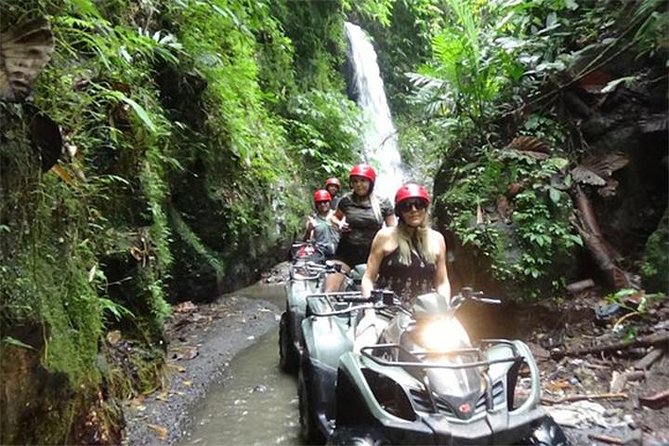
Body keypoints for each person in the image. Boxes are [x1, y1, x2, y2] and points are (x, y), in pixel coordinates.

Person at [356, 183, 451, 341]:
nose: (414, 210)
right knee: (364, 345)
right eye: (407, 206)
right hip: (386, 312)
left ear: (425, 208)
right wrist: (369, 312)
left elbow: (442, 282)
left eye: (418, 205)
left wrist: (444, 311)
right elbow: (368, 278)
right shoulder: (385, 236)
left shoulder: (437, 239)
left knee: (460, 346)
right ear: (400, 211)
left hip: (426, 315)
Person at [325, 163, 396, 291]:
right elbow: (334, 217)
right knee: (330, 288)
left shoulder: (383, 203)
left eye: (363, 181)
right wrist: (340, 224)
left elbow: (393, 228)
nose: (358, 185)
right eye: (355, 181)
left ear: (370, 182)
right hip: (347, 251)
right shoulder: (346, 200)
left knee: (372, 292)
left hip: (374, 252)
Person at [304, 189, 339, 259]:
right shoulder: (313, 219)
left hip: (338, 251)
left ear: (329, 202)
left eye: (325, 202)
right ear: (316, 204)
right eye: (319, 202)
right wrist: (309, 230)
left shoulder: (337, 215)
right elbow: (306, 240)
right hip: (321, 252)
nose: (322, 204)